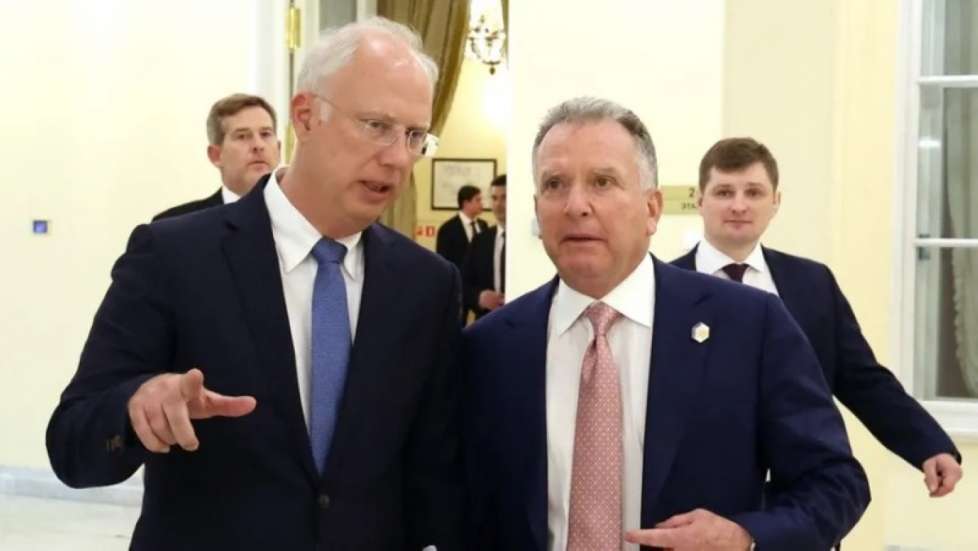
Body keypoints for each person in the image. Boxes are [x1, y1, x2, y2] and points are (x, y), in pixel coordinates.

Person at [47, 17, 464, 551]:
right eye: (376, 125)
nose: (398, 157)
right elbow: (72, 442)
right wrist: (135, 408)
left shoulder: (427, 286)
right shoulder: (174, 255)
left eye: (414, 136)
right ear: (305, 116)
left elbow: (434, 478)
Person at [463, 97, 870, 550]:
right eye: (555, 184)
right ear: (538, 209)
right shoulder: (489, 348)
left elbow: (836, 482)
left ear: (652, 209)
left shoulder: (751, 325)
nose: (576, 205)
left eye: (602, 182)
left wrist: (746, 538)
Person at [672, 136, 963, 498]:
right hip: (697, 498)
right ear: (699, 200)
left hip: (803, 495)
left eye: (754, 192)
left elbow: (863, 380)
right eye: (724, 192)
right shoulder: (666, 289)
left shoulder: (812, 284)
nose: (739, 205)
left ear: (775, 202)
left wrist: (929, 445)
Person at [153, 93, 281, 221]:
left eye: (265, 134)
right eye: (242, 136)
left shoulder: (292, 215)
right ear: (216, 155)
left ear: (279, 149)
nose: (258, 145)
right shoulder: (173, 225)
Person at [462, 174, 506, 320]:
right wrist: (479, 297)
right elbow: (463, 283)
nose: (498, 204)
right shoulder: (480, 240)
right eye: (494, 198)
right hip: (487, 320)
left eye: (504, 198)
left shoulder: (529, 241)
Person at [436, 184, 488, 271]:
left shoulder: (483, 225)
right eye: (478, 200)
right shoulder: (447, 229)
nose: (482, 204)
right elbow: (443, 261)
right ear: (466, 203)